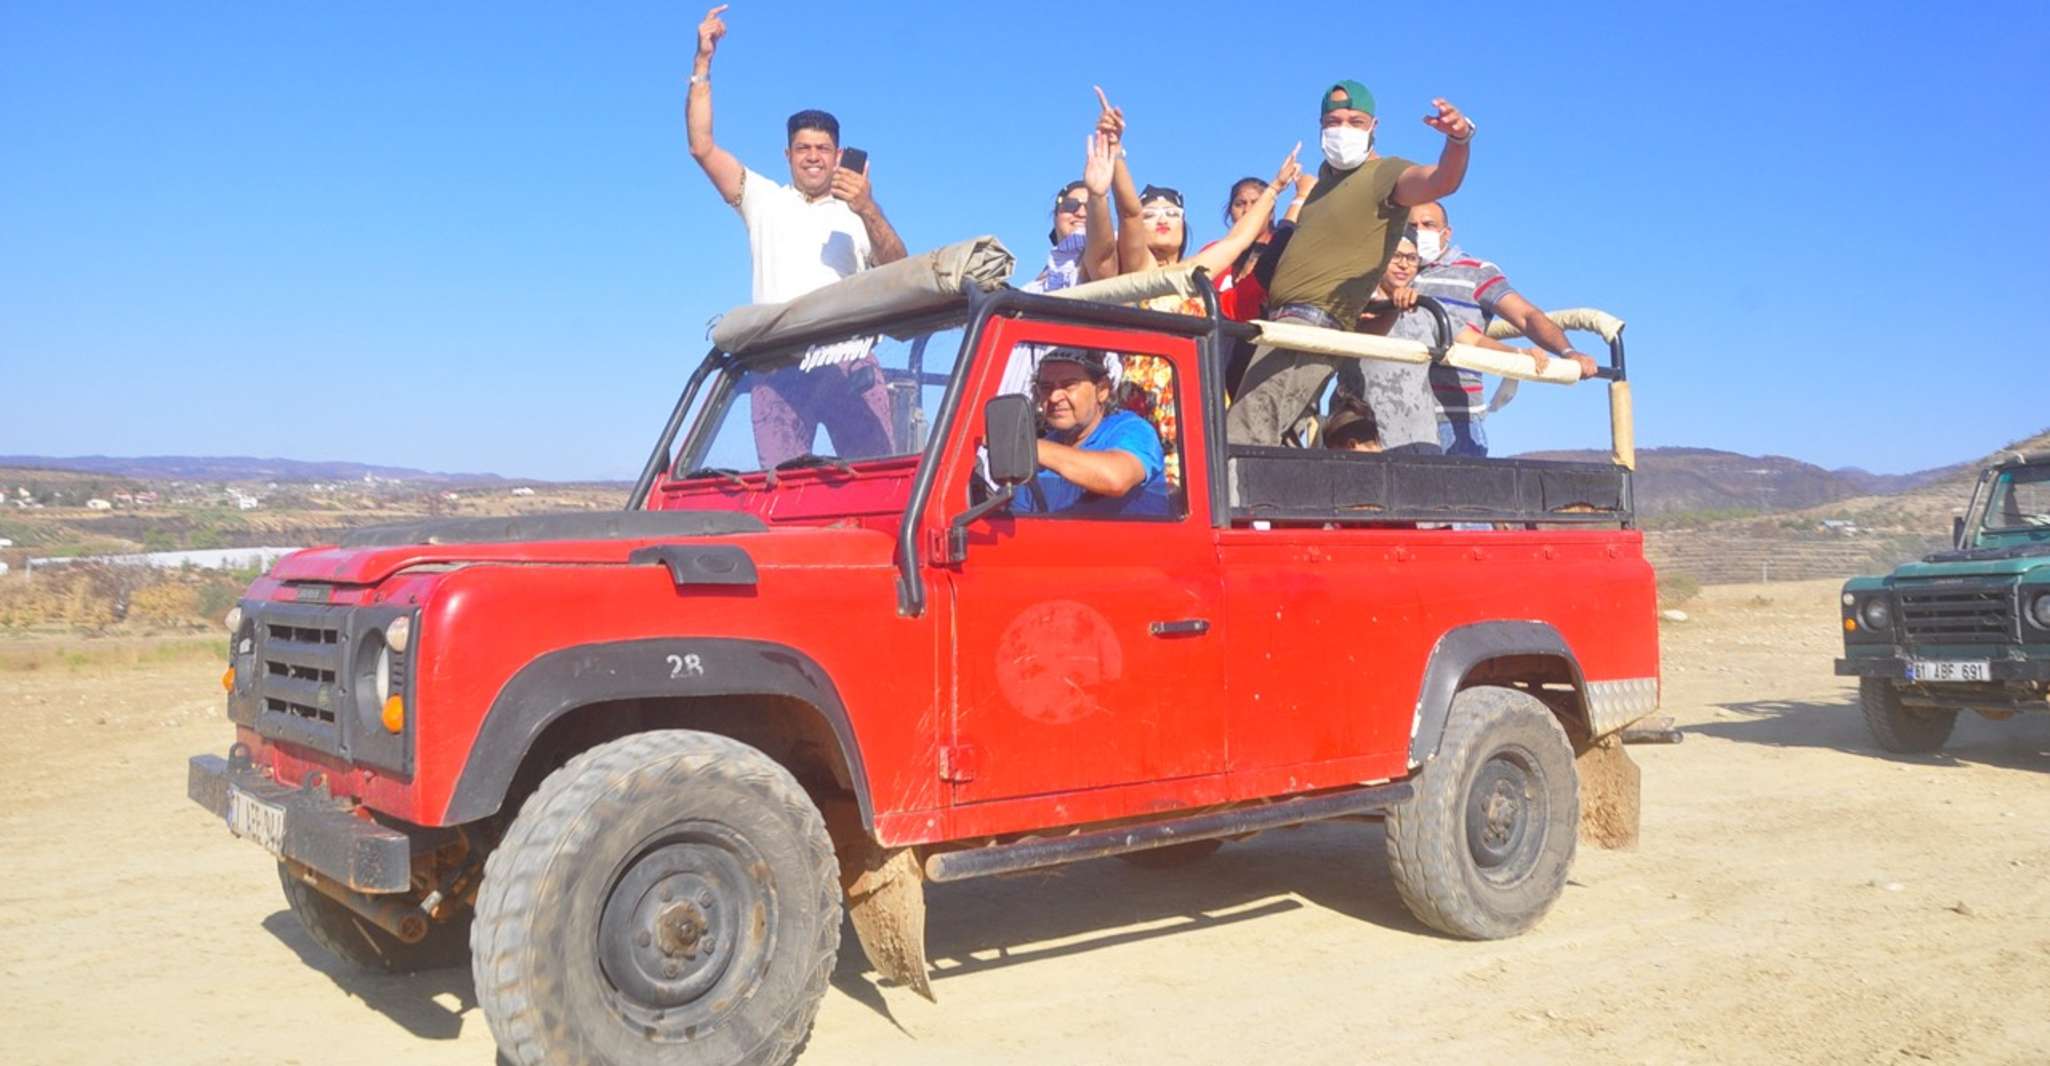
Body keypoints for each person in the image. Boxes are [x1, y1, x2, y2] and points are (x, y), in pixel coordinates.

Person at [685, 4, 908, 467]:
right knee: (779, 482)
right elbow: (701, 146)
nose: (813, 157)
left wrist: (868, 207)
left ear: (839, 155)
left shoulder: (859, 211)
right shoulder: (762, 198)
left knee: (877, 473)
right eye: (803, 148)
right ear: (787, 154)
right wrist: (702, 61)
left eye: (823, 149)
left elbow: (900, 272)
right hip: (778, 364)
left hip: (849, 361)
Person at [1225, 80, 1476, 447]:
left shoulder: (1385, 175)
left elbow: (1442, 181)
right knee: (1266, 435)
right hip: (1283, 324)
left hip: (1311, 326)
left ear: (1374, 126)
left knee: (1243, 435)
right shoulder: (1322, 186)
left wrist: (1458, 140)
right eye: (1333, 121)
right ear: (1320, 126)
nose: (1343, 129)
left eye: (1355, 122)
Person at [1081, 89, 1301, 320]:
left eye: (1172, 213)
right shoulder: (1141, 273)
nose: (1163, 219)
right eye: (1150, 215)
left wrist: (1276, 187)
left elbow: (1238, 239)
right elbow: (1129, 214)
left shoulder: (1194, 271)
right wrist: (1106, 177)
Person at [1405, 201, 1600, 456]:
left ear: (1446, 233)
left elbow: (1526, 316)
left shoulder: (1476, 272)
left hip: (1453, 418)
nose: (1419, 231)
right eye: (1412, 226)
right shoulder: (1393, 271)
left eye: (1428, 225)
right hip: (1393, 414)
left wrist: (1568, 352)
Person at [1014, 348, 1172, 518]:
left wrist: (1031, 448)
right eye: (1046, 388)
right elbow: (1019, 518)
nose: (1054, 397)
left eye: (1069, 385)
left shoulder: (1132, 430)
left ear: (1102, 390)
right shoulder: (1044, 448)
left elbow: (1116, 479)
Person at [1025, 180, 1091, 294]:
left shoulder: (1114, 250)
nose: (1081, 213)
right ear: (1055, 216)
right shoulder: (1035, 287)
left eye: (1092, 207)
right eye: (1070, 205)